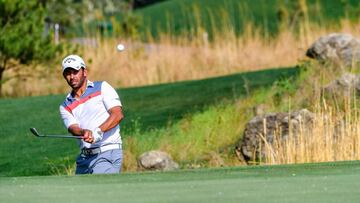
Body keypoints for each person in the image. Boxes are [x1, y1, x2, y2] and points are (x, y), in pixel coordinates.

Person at [59, 54, 124, 174]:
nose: (72, 77)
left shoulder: (102, 87)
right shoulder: (65, 105)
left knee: (101, 191)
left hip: (107, 152)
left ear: (84, 72)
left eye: (75, 71)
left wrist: (98, 131)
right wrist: (84, 132)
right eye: (68, 73)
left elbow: (117, 114)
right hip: (84, 158)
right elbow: (73, 128)